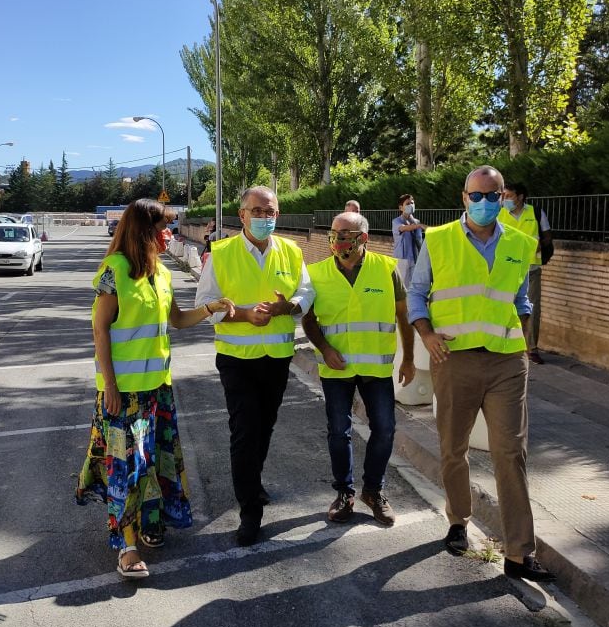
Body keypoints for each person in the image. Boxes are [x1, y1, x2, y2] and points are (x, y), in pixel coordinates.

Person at [408, 165, 554, 583]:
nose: (486, 203)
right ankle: (458, 520)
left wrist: (523, 342)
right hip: (454, 358)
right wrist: (428, 334)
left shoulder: (521, 243)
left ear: (505, 195)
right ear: (463, 198)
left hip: (507, 361)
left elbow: (521, 299)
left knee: (511, 452)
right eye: (477, 196)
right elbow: (417, 293)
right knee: (454, 447)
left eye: (494, 195)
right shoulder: (438, 240)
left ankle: (518, 553)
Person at [76, 199, 234, 578]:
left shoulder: (161, 274)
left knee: (151, 462)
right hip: (123, 393)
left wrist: (211, 309)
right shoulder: (115, 271)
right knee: (125, 468)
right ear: (144, 230)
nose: (170, 234)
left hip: (157, 390)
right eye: (164, 227)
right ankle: (126, 546)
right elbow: (100, 330)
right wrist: (110, 386)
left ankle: (149, 522)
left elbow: (176, 320)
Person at [195, 186, 314, 546]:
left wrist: (287, 307)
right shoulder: (222, 252)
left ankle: (253, 483)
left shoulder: (291, 252)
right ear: (242, 214)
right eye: (258, 211)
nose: (266, 217)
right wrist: (244, 314)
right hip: (236, 360)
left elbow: (306, 293)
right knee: (245, 431)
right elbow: (205, 305)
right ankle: (250, 511)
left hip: (276, 358)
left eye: (271, 211)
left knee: (264, 427)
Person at [303, 211, 415, 527]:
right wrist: (325, 349)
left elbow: (403, 316)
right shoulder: (317, 273)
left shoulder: (386, 269)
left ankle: (374, 491)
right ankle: (344, 494)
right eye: (333, 233)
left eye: (344, 234)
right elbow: (309, 321)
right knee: (339, 431)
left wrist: (408, 359)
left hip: (376, 368)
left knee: (385, 429)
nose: (336, 240)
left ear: (362, 238)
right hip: (336, 368)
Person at [500, 183, 554, 364]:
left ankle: (531, 348)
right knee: (504, 307)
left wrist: (541, 244)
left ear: (520, 196)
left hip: (531, 269)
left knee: (532, 308)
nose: (505, 199)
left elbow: (547, 236)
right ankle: (504, 344)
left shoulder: (536, 213)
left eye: (509, 196)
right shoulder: (499, 214)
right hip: (506, 269)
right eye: (504, 196)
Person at [391, 194, 424, 290]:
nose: (411, 205)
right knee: (402, 288)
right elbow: (403, 228)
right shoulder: (396, 221)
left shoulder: (416, 222)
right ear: (401, 207)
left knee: (415, 288)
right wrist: (419, 226)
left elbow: (419, 241)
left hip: (415, 259)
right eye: (408, 203)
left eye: (412, 203)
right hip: (402, 259)